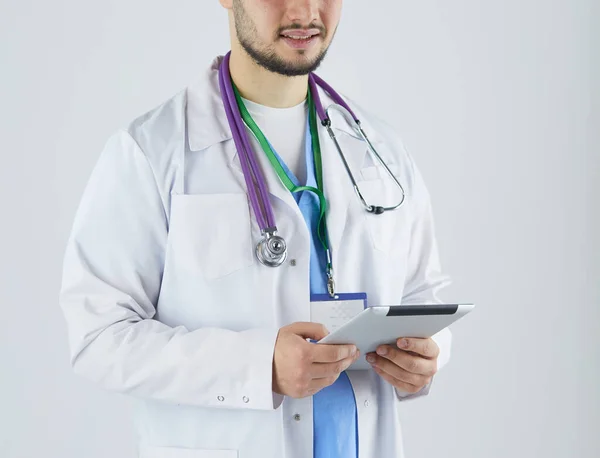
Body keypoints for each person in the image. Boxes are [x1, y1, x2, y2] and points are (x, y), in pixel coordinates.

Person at [59, 1, 453, 457]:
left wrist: (429, 351)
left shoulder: (381, 149)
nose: (306, 11)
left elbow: (426, 291)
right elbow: (98, 336)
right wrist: (257, 366)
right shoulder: (150, 152)